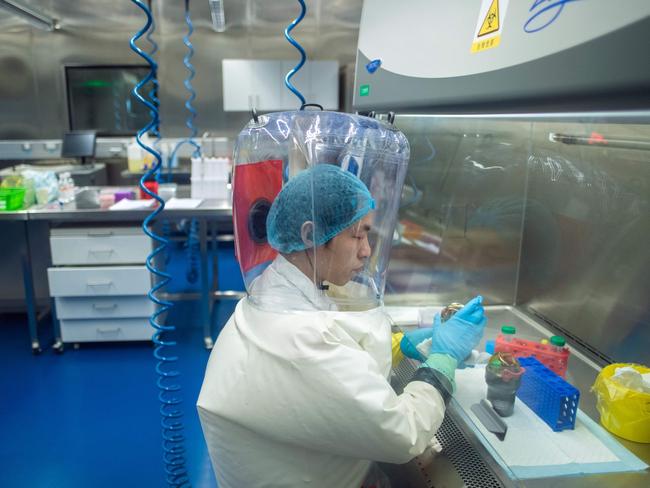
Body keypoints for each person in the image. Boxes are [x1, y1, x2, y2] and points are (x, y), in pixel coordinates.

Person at [197, 164, 486, 487]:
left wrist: (397, 346)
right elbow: (403, 434)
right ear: (310, 235)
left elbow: (331, 356)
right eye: (357, 234)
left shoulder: (277, 286)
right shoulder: (303, 338)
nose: (366, 250)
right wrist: (442, 361)